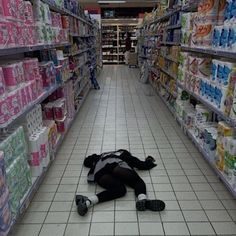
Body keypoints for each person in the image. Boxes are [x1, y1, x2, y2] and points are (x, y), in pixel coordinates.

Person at [75, 149, 166, 216]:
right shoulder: (124, 154)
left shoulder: (100, 156)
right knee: (137, 181)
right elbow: (140, 165)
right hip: (116, 165)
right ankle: (142, 199)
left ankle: (88, 201)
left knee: (120, 190)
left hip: (100, 170)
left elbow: (86, 162)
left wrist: (96, 157)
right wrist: (149, 161)